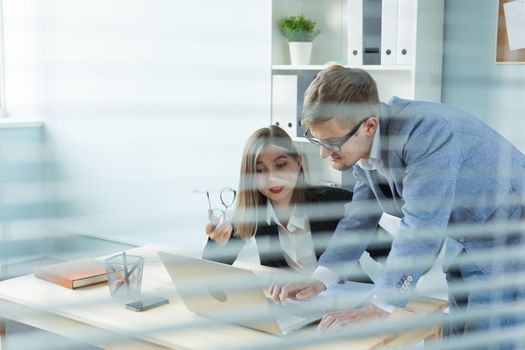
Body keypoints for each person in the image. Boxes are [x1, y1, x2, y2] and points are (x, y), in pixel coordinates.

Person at [272, 65, 525, 347]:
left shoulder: (428, 135)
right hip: (466, 230)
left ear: (369, 126)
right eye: (316, 139)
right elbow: (358, 220)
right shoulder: (362, 145)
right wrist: (320, 279)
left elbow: (420, 224)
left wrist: (380, 306)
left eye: (332, 142)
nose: (322, 153)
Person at [202, 125, 391, 296]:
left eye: (281, 165)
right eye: (260, 171)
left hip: (348, 301)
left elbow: (392, 254)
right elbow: (210, 270)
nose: (272, 178)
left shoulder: (337, 204)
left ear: (298, 163)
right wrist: (218, 243)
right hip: (296, 306)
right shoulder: (254, 213)